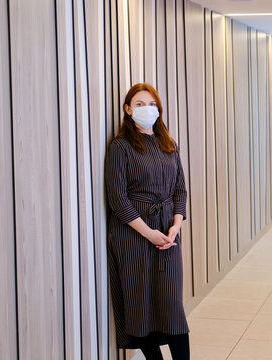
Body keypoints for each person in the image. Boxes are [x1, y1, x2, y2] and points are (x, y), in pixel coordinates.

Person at [105, 83, 190, 359]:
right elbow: (118, 199)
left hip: (167, 232)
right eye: (139, 104)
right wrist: (148, 232)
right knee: (139, 303)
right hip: (132, 235)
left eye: (151, 104)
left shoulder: (169, 144)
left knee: (171, 305)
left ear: (159, 109)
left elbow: (180, 189)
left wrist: (175, 227)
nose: (146, 109)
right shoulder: (121, 147)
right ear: (128, 110)